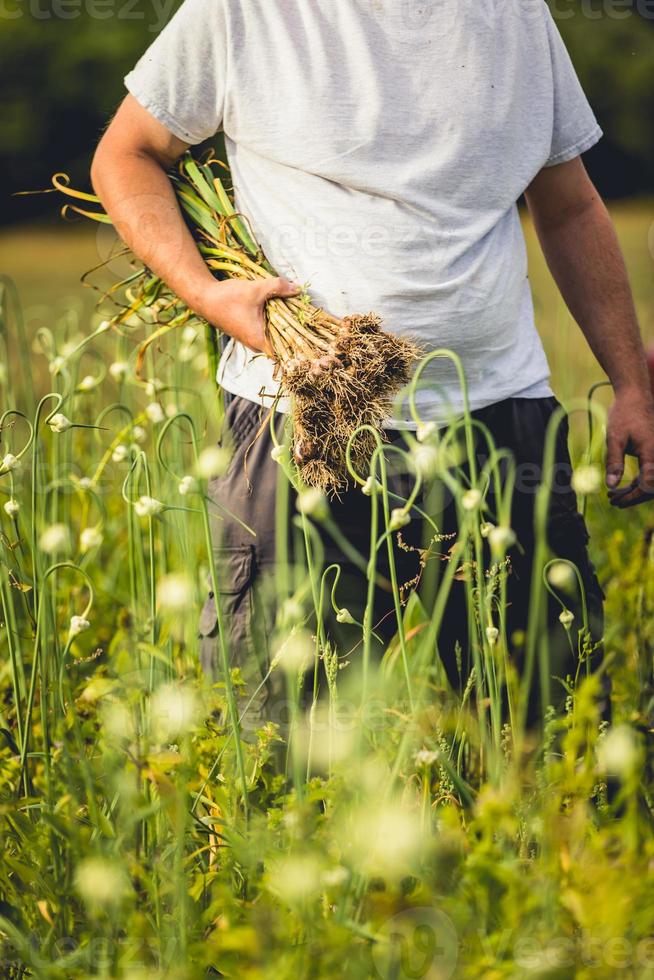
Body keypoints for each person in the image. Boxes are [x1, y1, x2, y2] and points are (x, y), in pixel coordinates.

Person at [91, 0, 654, 725]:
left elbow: (570, 205)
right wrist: (208, 294)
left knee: (554, 729)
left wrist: (633, 383)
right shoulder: (244, 11)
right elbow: (126, 152)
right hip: (302, 421)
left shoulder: (516, 15)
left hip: (503, 419)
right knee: (286, 736)